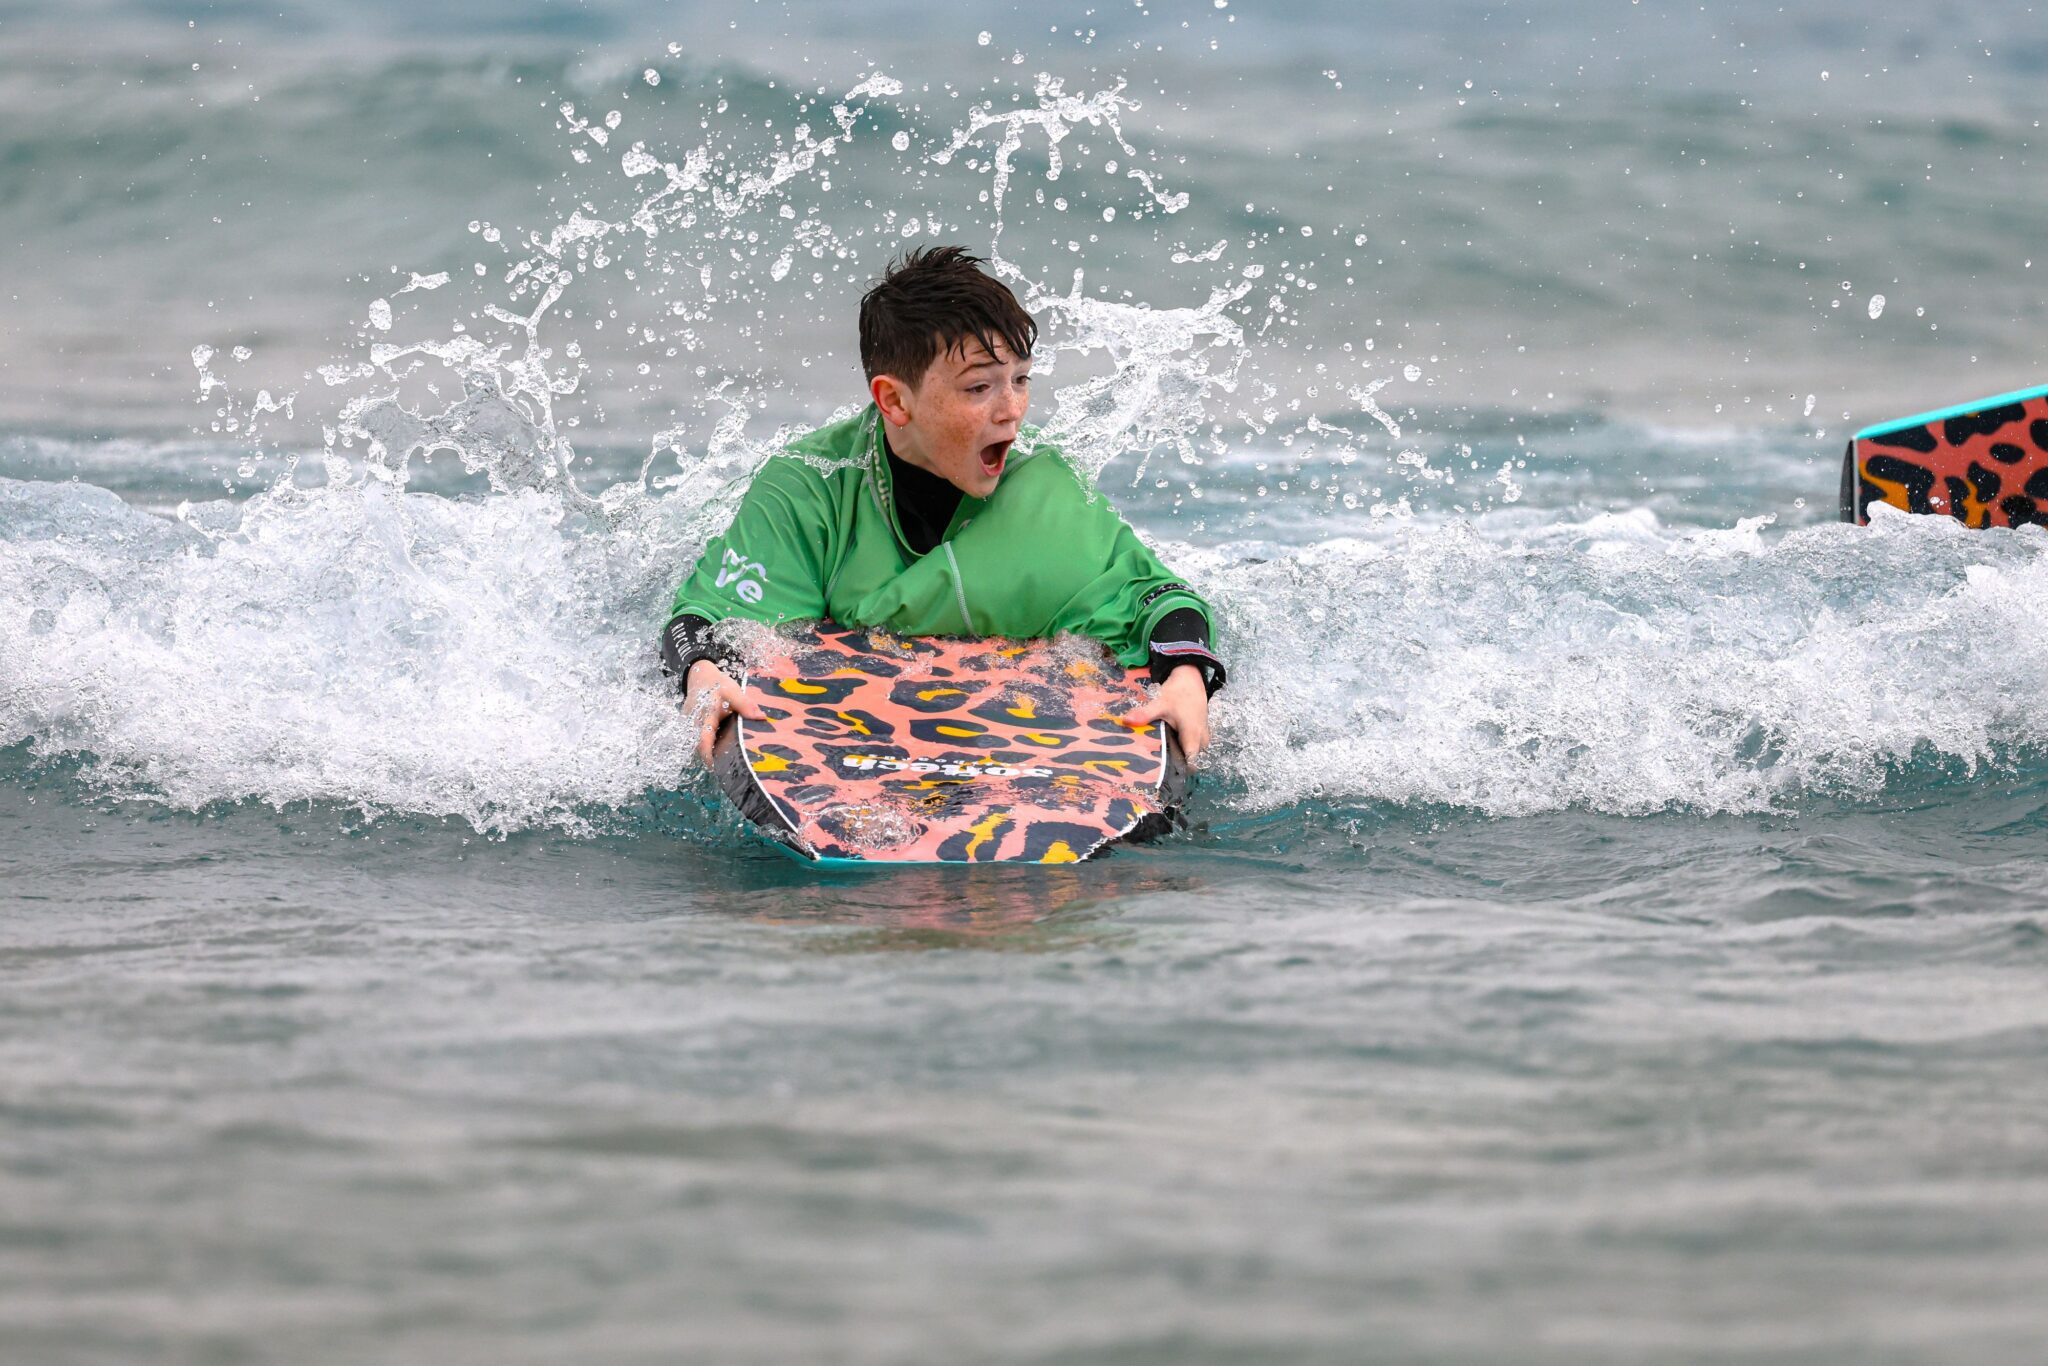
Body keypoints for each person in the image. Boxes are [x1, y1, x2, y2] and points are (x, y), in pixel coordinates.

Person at [660, 245, 1225, 765]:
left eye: (1021, 380)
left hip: (1007, 732)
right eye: (979, 388)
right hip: (858, 731)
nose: (1011, 410)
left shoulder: (1043, 502)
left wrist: (1185, 678)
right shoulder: (812, 487)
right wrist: (706, 673)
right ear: (894, 400)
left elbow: (1161, 601)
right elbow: (704, 621)